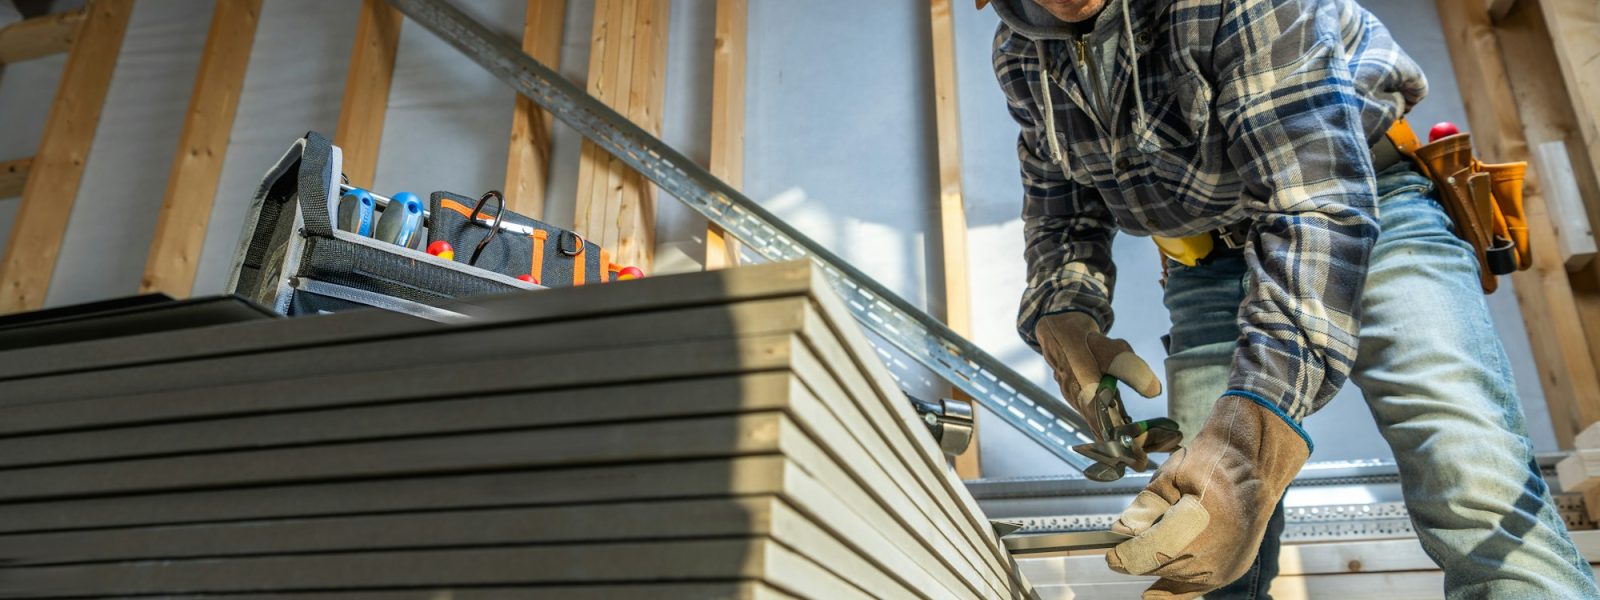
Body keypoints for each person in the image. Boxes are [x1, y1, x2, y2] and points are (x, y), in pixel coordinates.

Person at [983, 0, 1600, 597]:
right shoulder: (1019, 49)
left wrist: (1250, 435)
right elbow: (1060, 196)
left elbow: (1313, 200)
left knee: (1475, 490)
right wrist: (1064, 309)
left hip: (1362, 210)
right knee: (1196, 531)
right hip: (1206, 258)